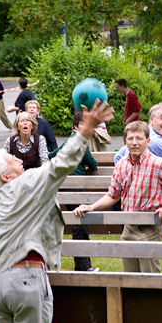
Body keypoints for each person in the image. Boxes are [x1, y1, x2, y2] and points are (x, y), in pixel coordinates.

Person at [0, 99, 114, 323]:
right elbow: (59, 166)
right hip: (25, 280)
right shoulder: (25, 184)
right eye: (13, 160)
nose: (19, 159)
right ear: (6, 178)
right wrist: (85, 131)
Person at [74, 121, 162, 273]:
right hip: (128, 228)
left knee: (149, 282)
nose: (134, 143)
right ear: (125, 141)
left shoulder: (158, 164)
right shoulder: (121, 165)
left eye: (139, 138)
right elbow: (113, 195)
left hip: (149, 228)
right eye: (130, 139)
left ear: (147, 141)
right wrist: (91, 207)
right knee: (129, 280)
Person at [49, 112, 98, 272]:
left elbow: (51, 155)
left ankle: (81, 264)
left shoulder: (70, 141)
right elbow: (93, 164)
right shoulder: (80, 142)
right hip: (74, 186)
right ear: (76, 126)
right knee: (80, 223)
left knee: (75, 221)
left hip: (61, 185)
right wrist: (84, 166)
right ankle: (83, 266)